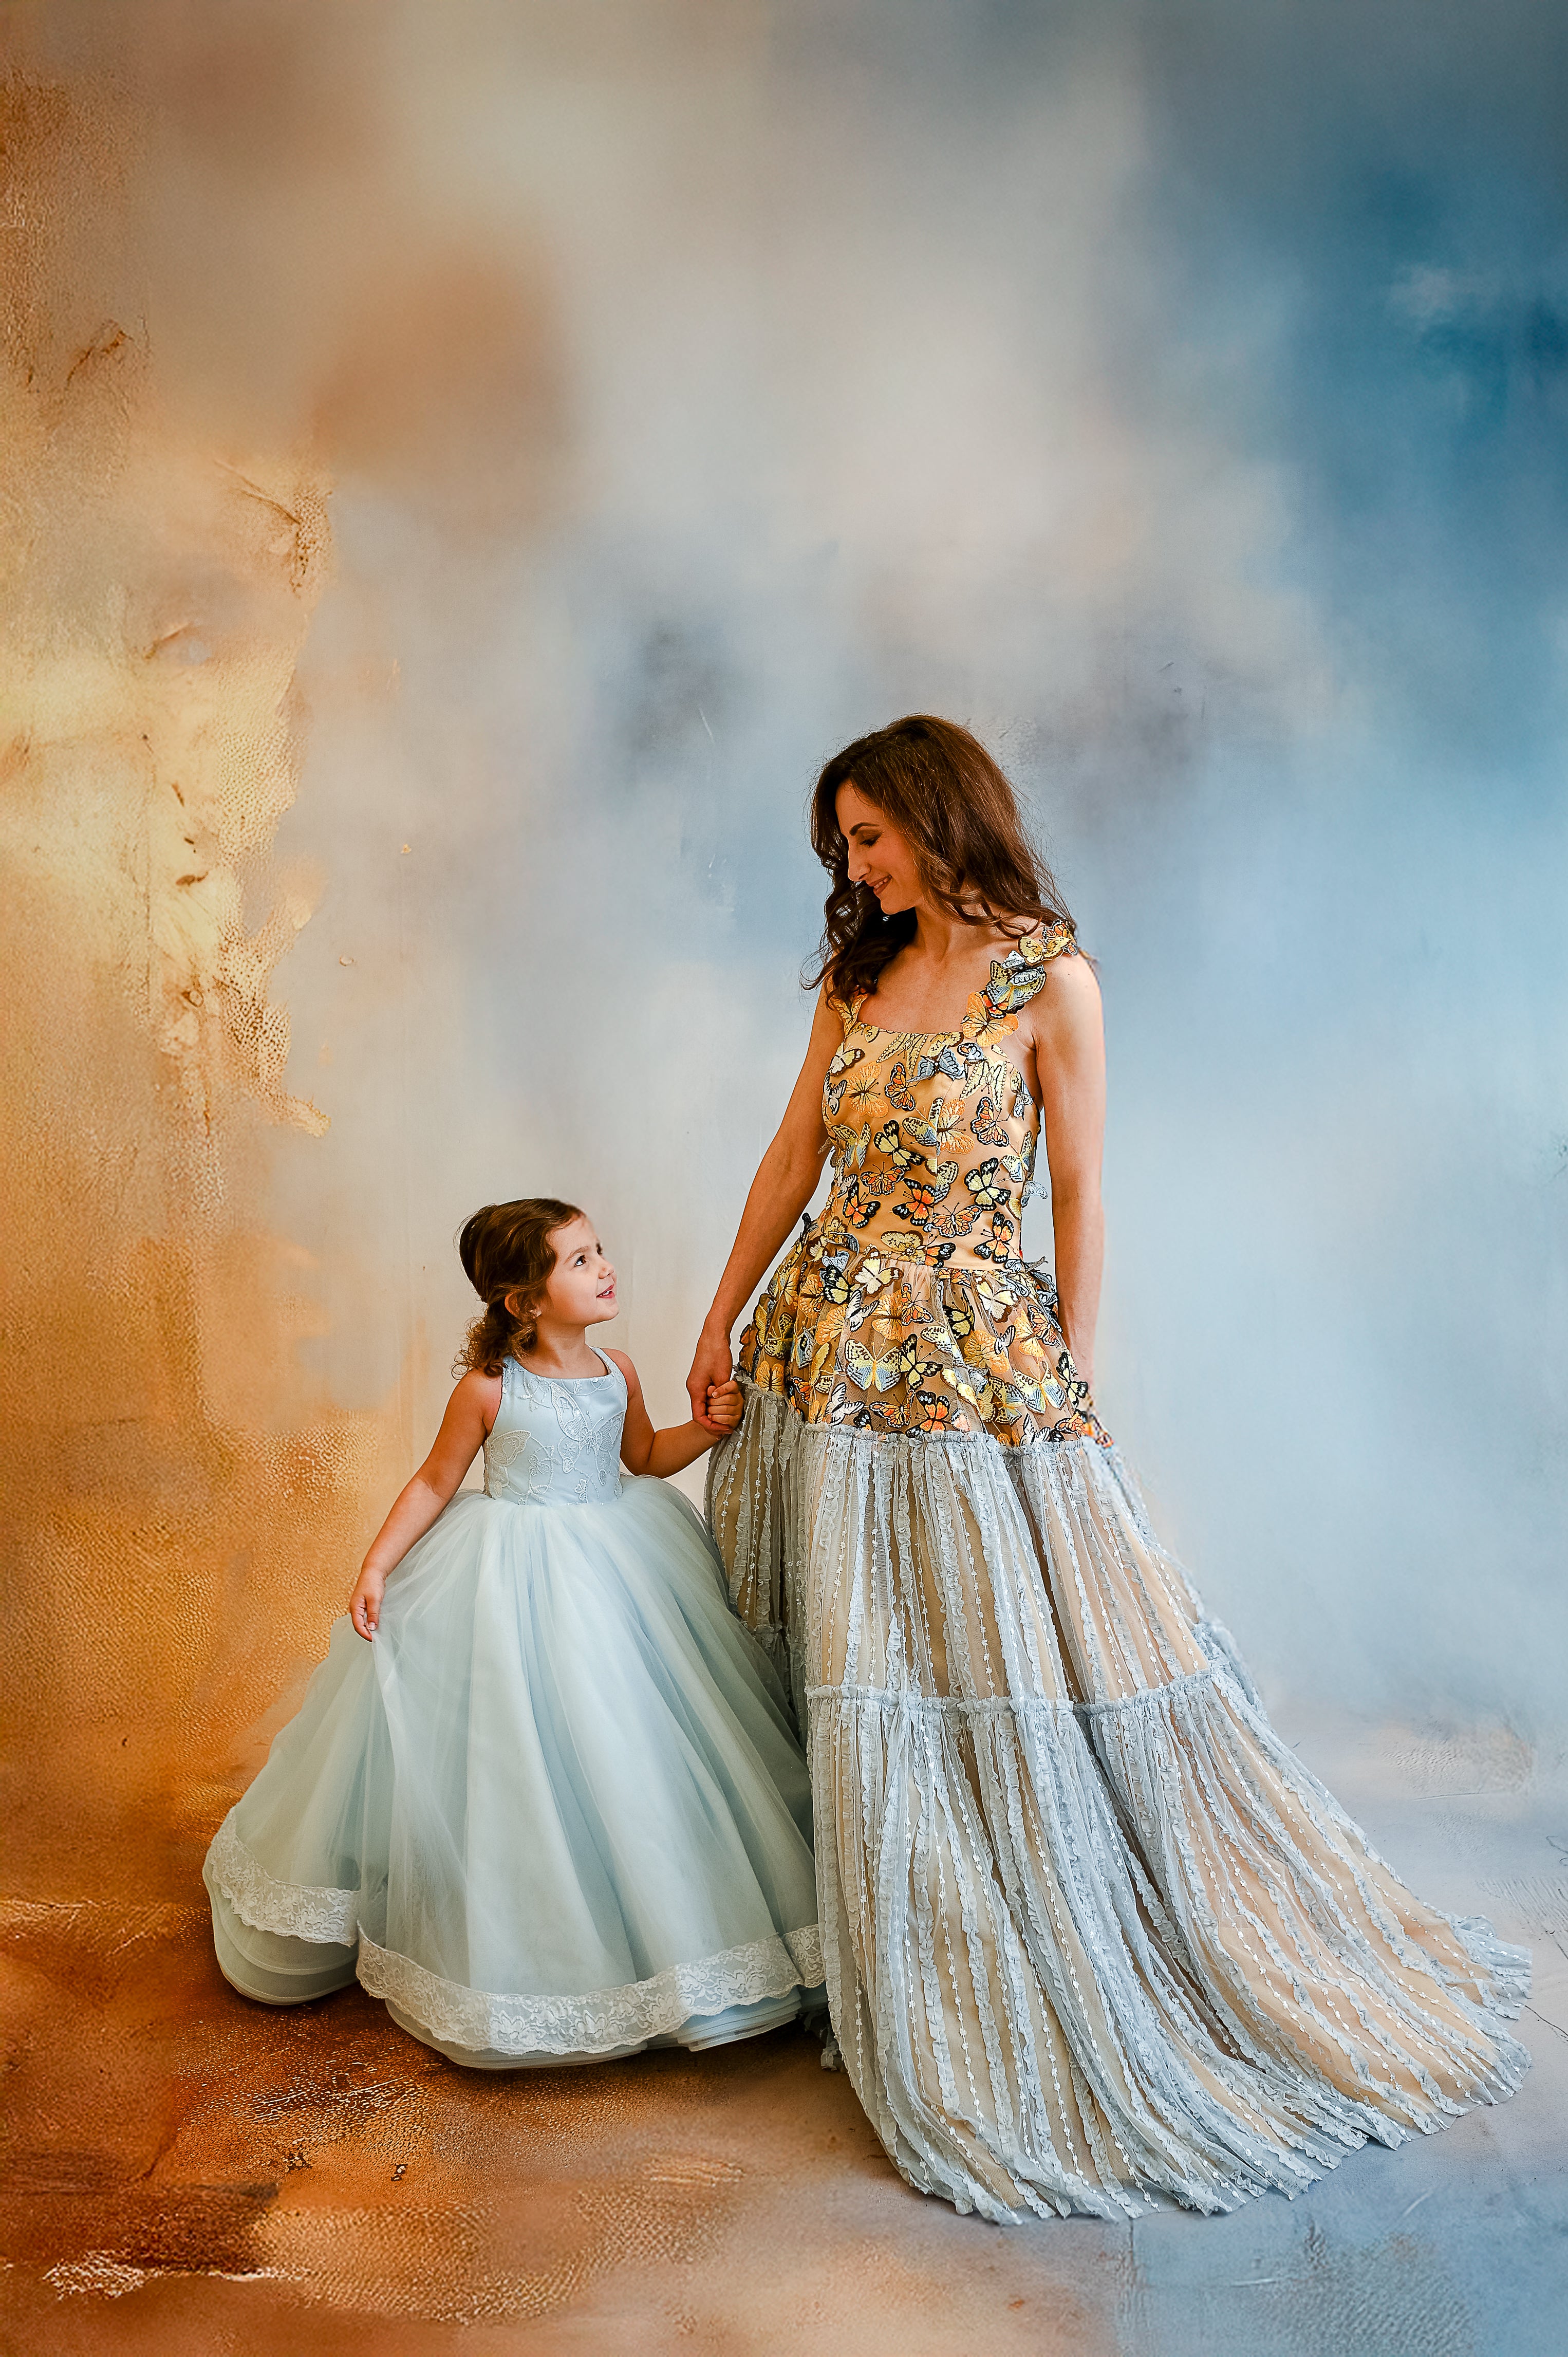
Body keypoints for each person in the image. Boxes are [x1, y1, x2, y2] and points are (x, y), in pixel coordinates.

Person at [687, 714, 1529, 2221]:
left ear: (942, 820)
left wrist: (1070, 1376)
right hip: (825, 1341)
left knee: (989, 1654)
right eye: (841, 845)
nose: (852, 866)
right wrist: (720, 1305)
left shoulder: (1048, 979)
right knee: (849, 1651)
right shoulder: (859, 971)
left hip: (966, 1353)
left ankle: (996, 1948)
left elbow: (1077, 1185)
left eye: (869, 836)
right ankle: (857, 1936)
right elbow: (791, 1151)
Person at [204, 1198, 822, 2067]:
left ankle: (654, 1929)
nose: (605, 1267)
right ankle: (521, 1928)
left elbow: (642, 1458)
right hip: (512, 1579)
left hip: (622, 1569)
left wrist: (710, 1428)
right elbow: (433, 1483)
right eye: (578, 1261)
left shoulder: (620, 1370)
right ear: (523, 1301)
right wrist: (377, 1565)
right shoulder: (491, 1389)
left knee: (625, 1743)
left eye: (599, 1251)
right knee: (522, 1752)